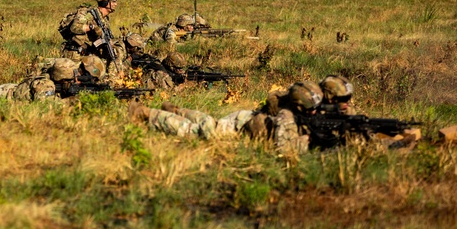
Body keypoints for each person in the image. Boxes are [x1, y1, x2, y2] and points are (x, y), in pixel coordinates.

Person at [130, 80, 323, 155]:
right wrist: (308, 142)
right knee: (198, 132)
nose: (314, 111)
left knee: (210, 123)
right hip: (242, 126)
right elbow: (283, 149)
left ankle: (176, 111)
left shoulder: (296, 106)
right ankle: (146, 113)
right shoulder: (285, 116)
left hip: (246, 118)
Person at [58, 0, 124, 75]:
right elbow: (74, 27)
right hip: (75, 54)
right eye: (113, 1)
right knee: (74, 79)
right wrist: (92, 27)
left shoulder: (104, 19)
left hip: (90, 54)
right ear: (105, 2)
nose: (116, 4)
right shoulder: (89, 14)